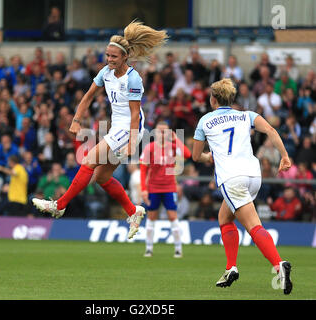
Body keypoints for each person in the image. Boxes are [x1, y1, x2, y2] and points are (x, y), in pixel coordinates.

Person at [33, 21, 168, 239]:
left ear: (125, 57)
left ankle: (59, 205)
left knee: (88, 161)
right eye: (107, 55)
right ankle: (134, 212)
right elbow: (87, 97)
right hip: (117, 127)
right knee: (102, 177)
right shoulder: (106, 72)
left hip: (128, 129)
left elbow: (135, 114)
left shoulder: (133, 79)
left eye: (114, 56)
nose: (109, 59)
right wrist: (76, 119)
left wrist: (132, 141)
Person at [192, 78, 293, 294]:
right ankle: (231, 268)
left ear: (213, 99)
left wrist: (209, 157)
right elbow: (272, 131)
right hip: (253, 176)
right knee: (224, 217)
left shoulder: (205, 121)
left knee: (253, 226)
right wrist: (284, 156)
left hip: (232, 178)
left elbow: (195, 155)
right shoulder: (246, 115)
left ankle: (279, 266)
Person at [140, 121, 192, 258]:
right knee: (151, 217)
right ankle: (149, 248)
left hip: (170, 187)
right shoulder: (149, 148)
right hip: (153, 187)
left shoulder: (173, 147)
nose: (162, 133)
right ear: (155, 132)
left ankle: (178, 248)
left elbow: (187, 154)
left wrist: (176, 139)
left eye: (165, 131)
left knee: (173, 217)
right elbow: (143, 170)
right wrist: (143, 189)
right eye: (159, 130)